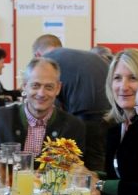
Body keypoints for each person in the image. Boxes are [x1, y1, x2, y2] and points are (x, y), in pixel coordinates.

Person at [0, 57, 86, 185]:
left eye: (49, 87)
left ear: (58, 88)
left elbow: (83, 173)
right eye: (35, 85)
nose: (41, 93)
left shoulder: (73, 126)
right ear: (24, 86)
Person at [32, 34, 110, 170]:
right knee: (100, 158)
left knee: (81, 162)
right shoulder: (76, 55)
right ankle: (100, 186)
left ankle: (91, 188)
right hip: (111, 114)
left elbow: (51, 105)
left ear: (38, 54)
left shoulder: (49, 63)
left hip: (86, 115)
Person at [98, 48, 138, 195]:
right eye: (117, 78)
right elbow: (117, 175)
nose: (123, 86)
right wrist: (91, 176)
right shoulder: (116, 128)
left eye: (133, 78)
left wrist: (99, 185)